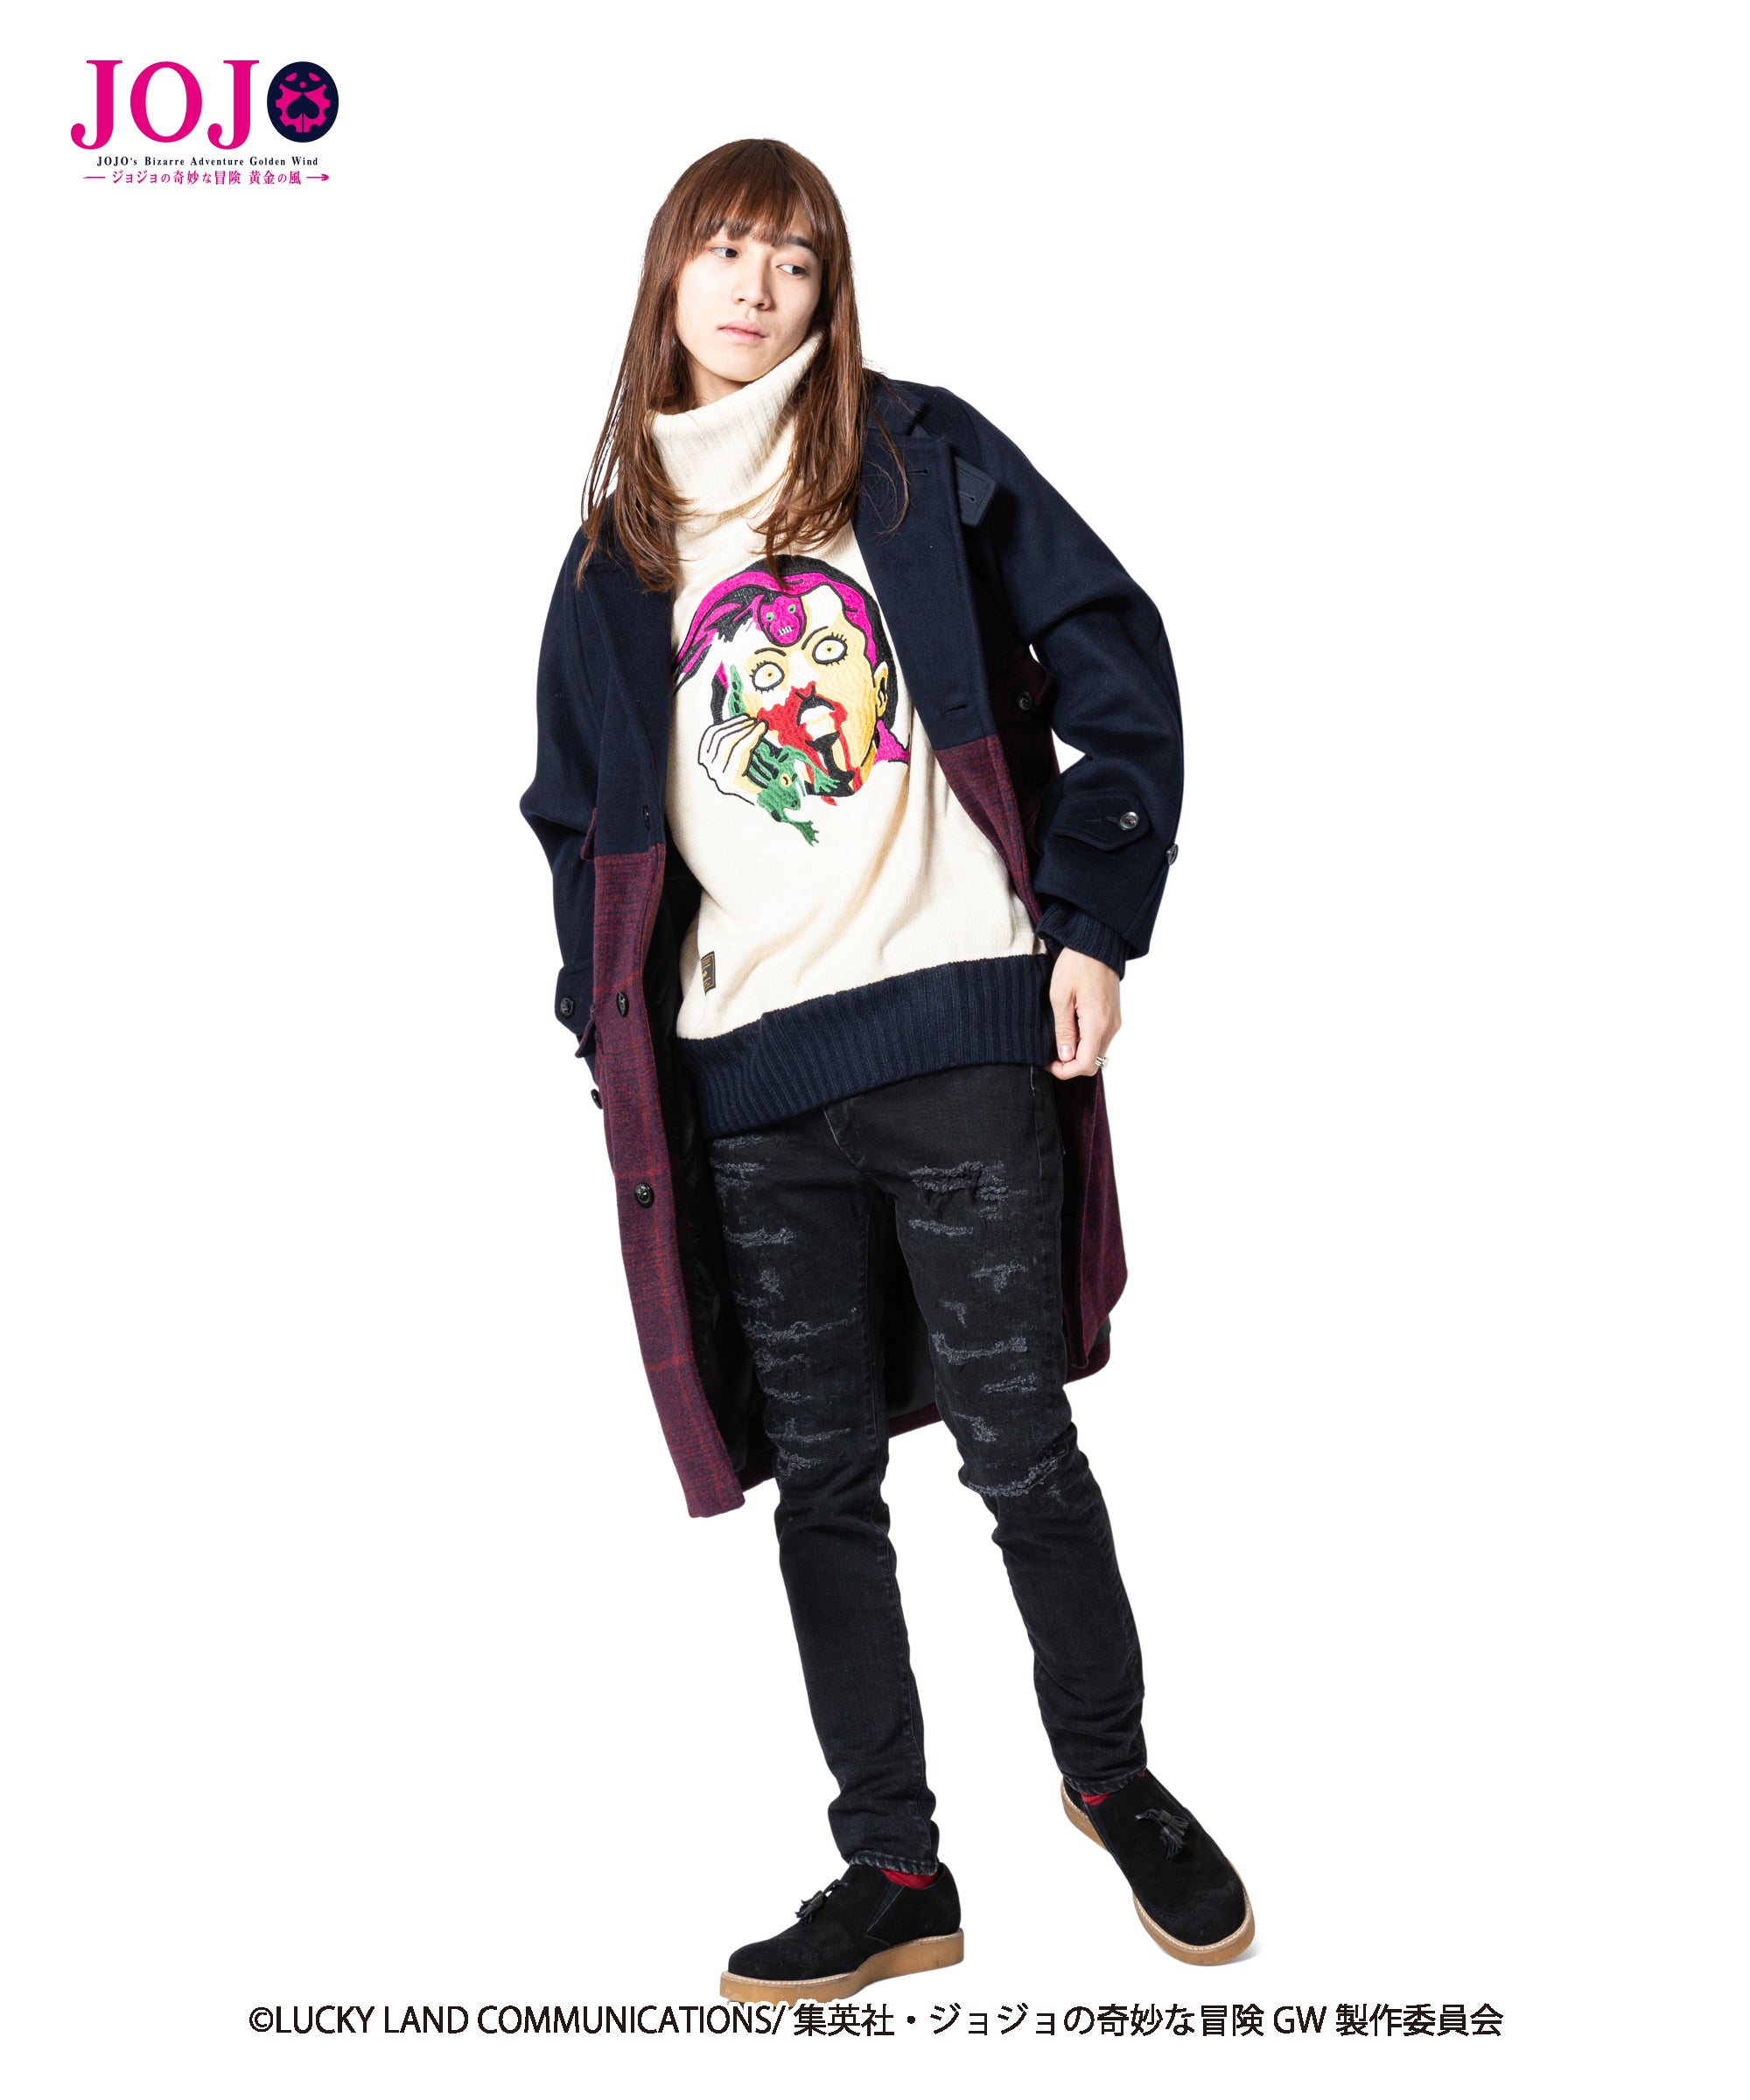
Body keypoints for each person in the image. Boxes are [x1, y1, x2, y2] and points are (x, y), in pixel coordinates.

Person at [521, 137, 1253, 2005]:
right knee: (822, 1485)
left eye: (792, 258)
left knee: (1022, 1445)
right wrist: (605, 1025)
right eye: (721, 250)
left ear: (828, 294)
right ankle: (894, 1870)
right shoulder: (613, 561)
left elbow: (1117, 654)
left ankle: (1113, 1779)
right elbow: (574, 820)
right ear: (667, 278)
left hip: (954, 1026)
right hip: (744, 1083)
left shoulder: (916, 457)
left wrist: (1092, 921)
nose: (753, 287)